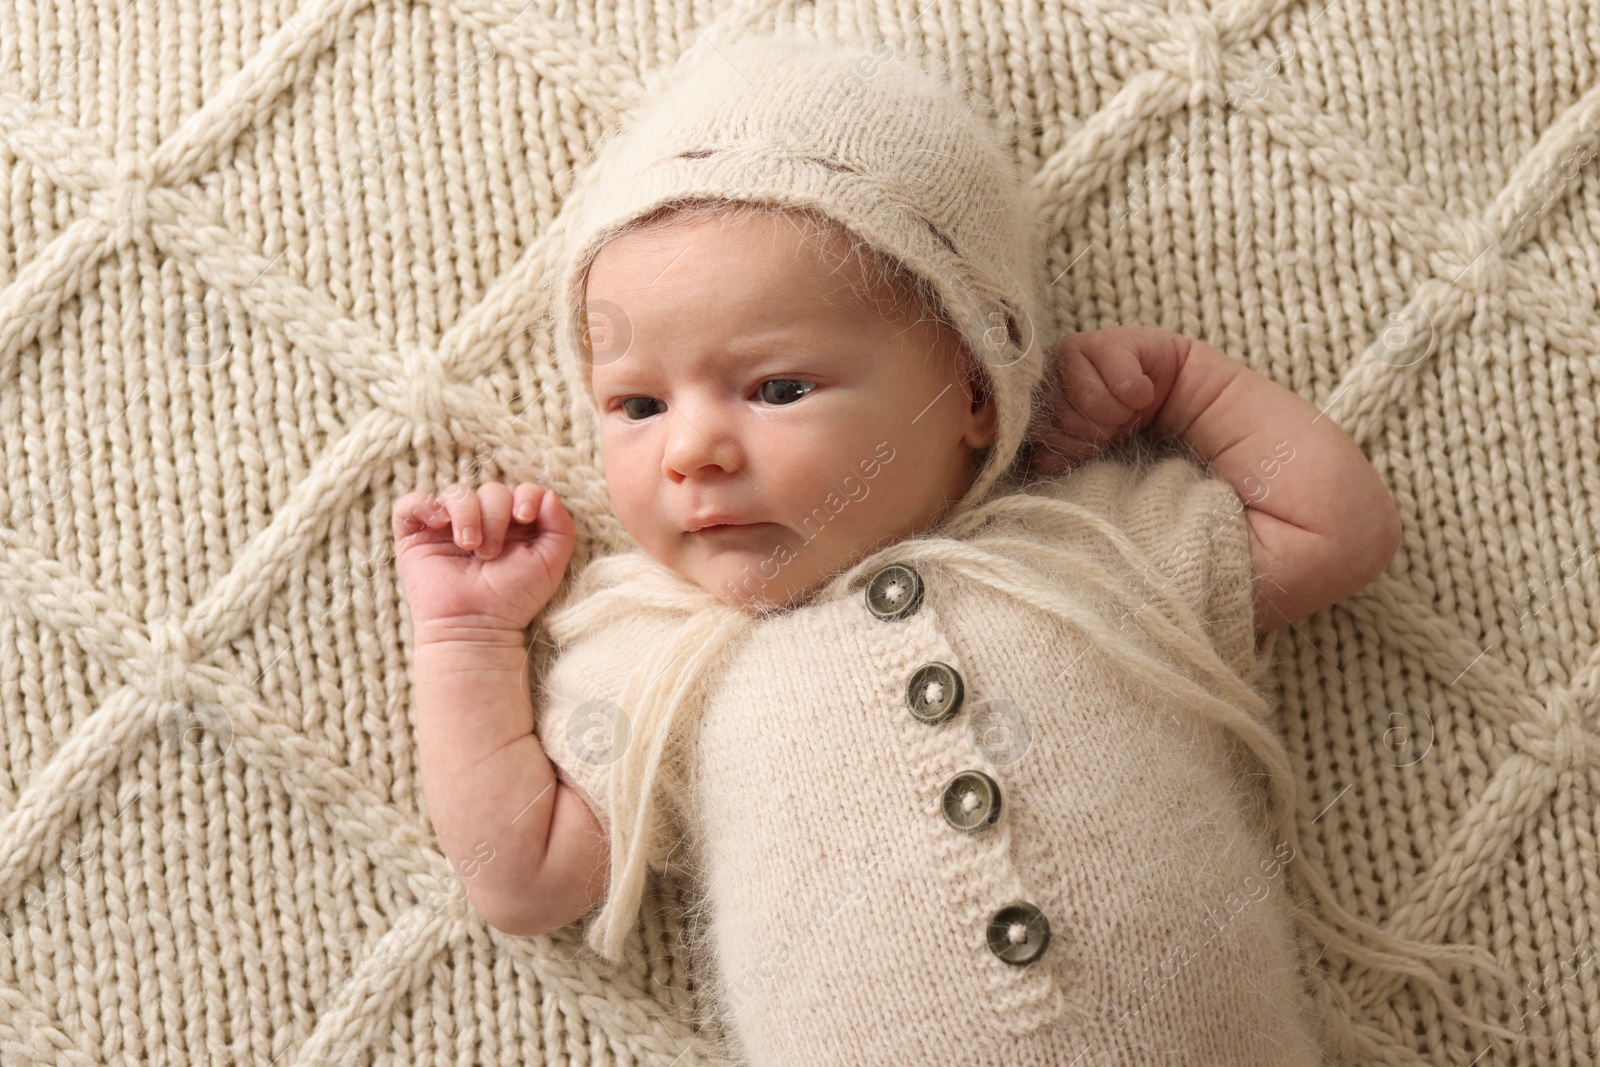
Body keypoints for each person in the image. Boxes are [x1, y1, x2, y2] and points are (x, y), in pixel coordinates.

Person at [392, 32, 1516, 1066]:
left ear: (977, 387)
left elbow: (1337, 530)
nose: (691, 449)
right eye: (635, 405)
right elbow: (525, 873)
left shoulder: (1092, 554)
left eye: (777, 387)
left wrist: (1189, 383)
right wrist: (464, 633)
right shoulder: (665, 655)